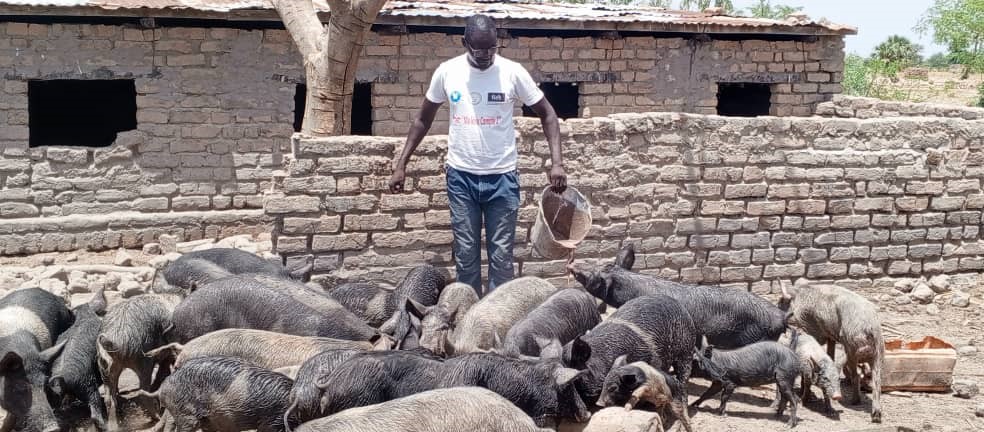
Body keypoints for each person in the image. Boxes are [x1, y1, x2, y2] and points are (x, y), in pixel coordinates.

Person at [388, 13, 566, 297]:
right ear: (465, 43)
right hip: (461, 179)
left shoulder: (512, 72)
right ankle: (468, 319)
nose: (486, 55)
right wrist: (401, 164)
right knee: (466, 256)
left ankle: (498, 322)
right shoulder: (448, 72)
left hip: (503, 180)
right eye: (479, 49)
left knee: (501, 259)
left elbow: (548, 115)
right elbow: (423, 119)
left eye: (492, 48)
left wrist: (557, 162)